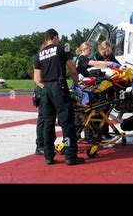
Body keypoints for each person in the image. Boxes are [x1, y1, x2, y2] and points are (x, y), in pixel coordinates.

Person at [33, 28, 85, 166]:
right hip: (59, 87)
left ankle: (49, 156)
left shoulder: (39, 54)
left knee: (48, 123)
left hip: (45, 89)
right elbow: (72, 69)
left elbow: (36, 78)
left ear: (46, 39)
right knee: (67, 122)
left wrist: (47, 89)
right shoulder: (62, 49)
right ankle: (70, 156)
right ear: (55, 37)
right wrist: (77, 85)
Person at [75, 41, 118, 141]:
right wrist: (110, 63)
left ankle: (85, 134)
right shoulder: (82, 59)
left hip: (82, 86)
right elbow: (94, 63)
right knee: (84, 112)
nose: (90, 52)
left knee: (84, 112)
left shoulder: (81, 59)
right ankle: (87, 135)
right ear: (83, 50)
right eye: (89, 50)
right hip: (82, 87)